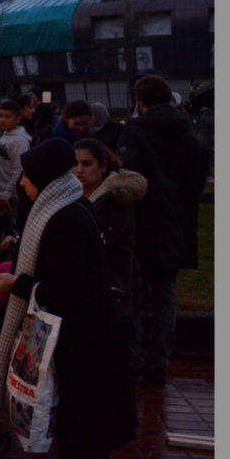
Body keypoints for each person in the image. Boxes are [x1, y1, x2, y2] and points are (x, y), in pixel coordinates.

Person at [0, 138, 136, 459]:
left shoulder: (64, 219)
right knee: (71, 411)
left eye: (28, 175)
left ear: (45, 178)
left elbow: (67, 289)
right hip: (83, 333)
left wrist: (16, 284)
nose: (22, 182)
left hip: (84, 338)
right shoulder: (67, 207)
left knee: (78, 416)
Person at [116, 74, 206, 384]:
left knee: (131, 293)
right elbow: (198, 176)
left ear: (140, 101)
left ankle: (129, 357)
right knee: (166, 295)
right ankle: (159, 361)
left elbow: (130, 183)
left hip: (142, 224)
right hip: (177, 223)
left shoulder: (135, 133)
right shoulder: (186, 133)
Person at [73, 138, 147, 377]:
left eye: (87, 164)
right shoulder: (77, 195)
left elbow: (112, 242)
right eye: (76, 164)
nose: (80, 170)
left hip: (115, 281)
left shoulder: (115, 199)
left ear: (103, 166)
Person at [0, 100, 30, 266]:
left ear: (18, 119)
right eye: (1, 116)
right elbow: (0, 162)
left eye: (8, 117)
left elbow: (18, 169)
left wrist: (7, 194)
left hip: (10, 197)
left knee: (11, 233)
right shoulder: (5, 136)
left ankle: (12, 265)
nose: (2, 120)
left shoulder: (20, 141)